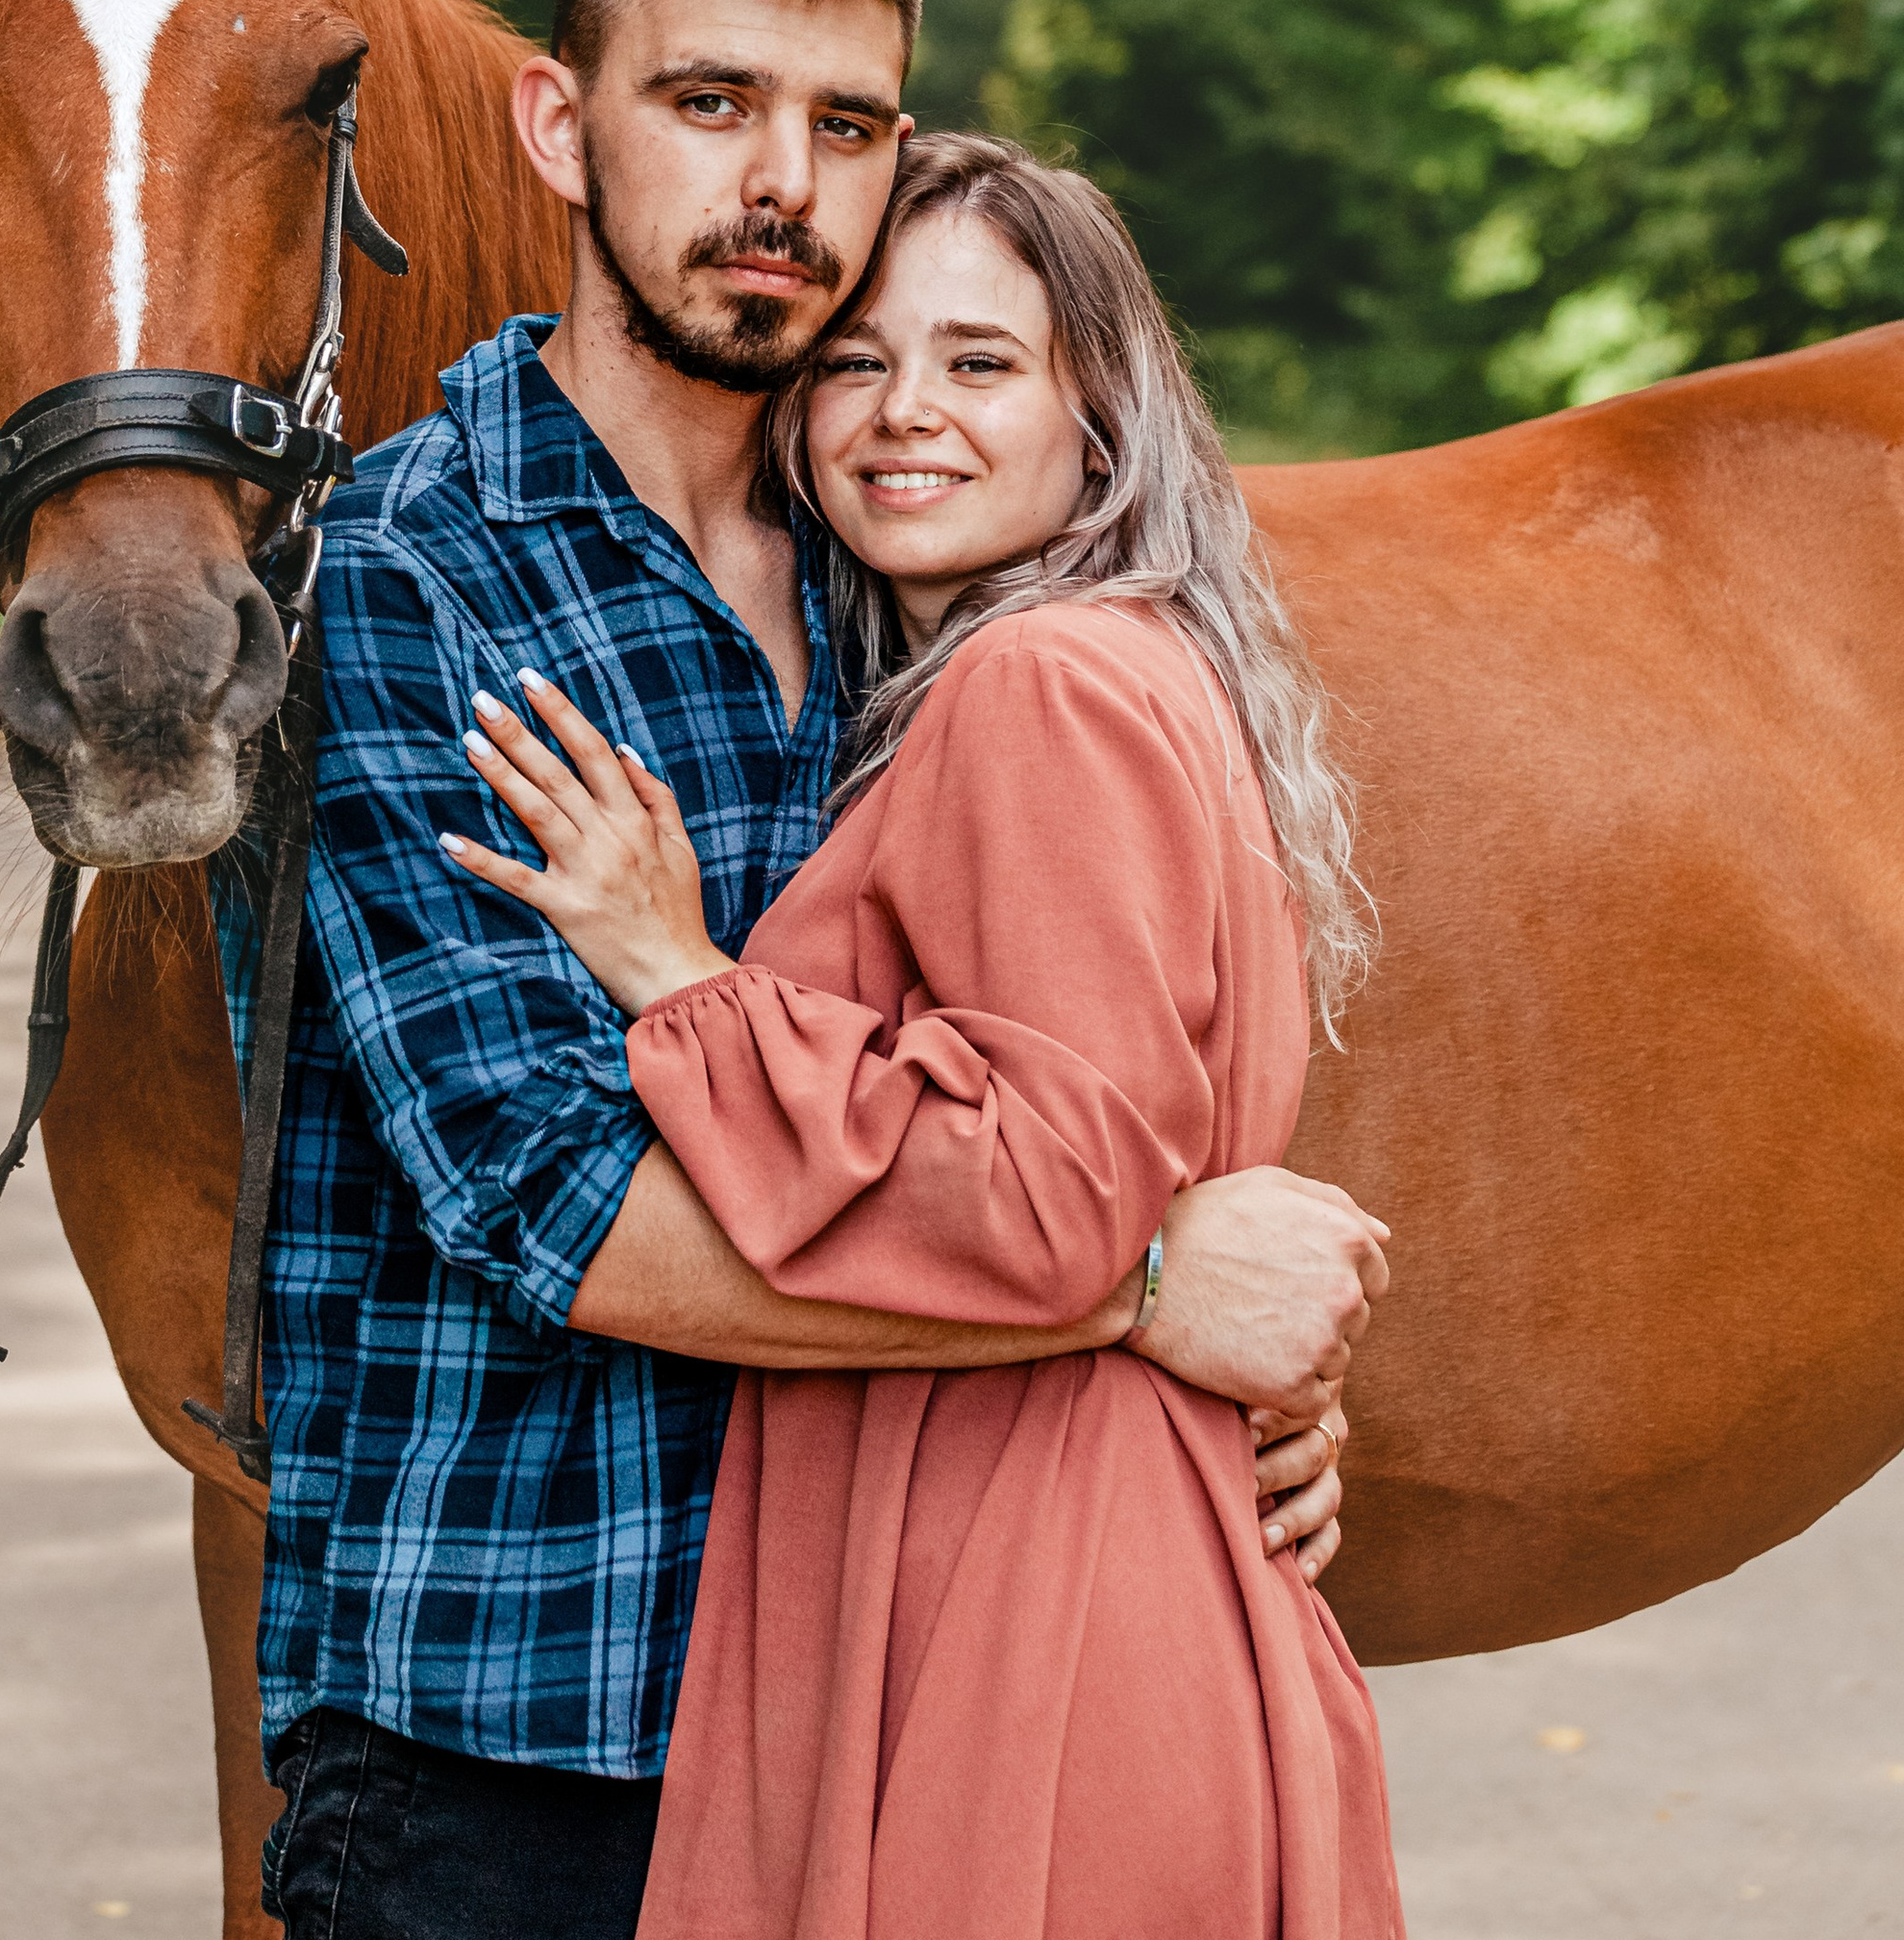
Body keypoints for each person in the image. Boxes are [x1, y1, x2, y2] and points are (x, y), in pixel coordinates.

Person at [223, 0, 1391, 1940]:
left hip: (874, 1683)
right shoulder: (410, 574)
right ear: (557, 129)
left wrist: (1202, 1325)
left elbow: (1052, 1087)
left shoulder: (899, 563)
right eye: (706, 102)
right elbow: (558, 1207)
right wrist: (1134, 1299)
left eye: (841, 123)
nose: (778, 183)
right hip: (527, 1727)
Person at [448, 127, 1401, 1934]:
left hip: (1030, 1589)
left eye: (981, 363)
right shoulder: (1134, 668)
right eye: (857, 363)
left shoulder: (1035, 686)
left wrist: (682, 977)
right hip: (1075, 1524)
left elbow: (1058, 1196)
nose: (906, 413)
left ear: (1097, 418)